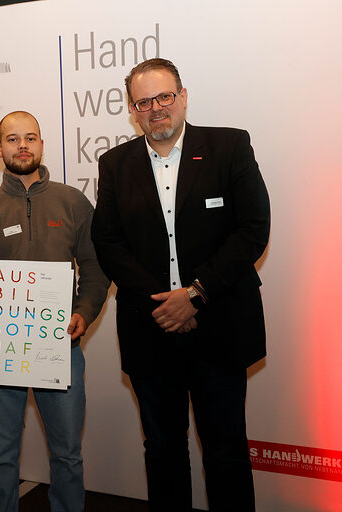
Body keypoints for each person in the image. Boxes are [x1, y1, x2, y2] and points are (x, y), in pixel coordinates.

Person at [91, 59, 270, 511]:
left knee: (226, 452)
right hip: (150, 331)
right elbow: (108, 243)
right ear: (133, 110)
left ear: (183, 96)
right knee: (163, 451)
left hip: (220, 327)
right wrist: (165, 304)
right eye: (143, 102)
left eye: (164, 96)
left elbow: (252, 229)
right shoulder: (115, 164)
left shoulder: (229, 146)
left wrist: (194, 295)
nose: (156, 108)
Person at [0, 111, 109, 511]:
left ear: (41, 144)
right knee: (0, 458)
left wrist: (84, 312)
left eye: (30, 138)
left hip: (61, 348)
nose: (22, 146)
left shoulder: (72, 202)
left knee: (67, 454)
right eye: (12, 139)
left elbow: (95, 267)